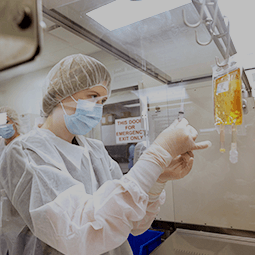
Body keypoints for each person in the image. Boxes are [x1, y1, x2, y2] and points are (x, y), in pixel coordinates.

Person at [0, 54, 211, 255]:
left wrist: (157, 181)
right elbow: (77, 234)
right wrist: (157, 155)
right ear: (58, 94)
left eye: (102, 101)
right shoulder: (24, 153)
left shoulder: (95, 150)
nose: (97, 108)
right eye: (92, 96)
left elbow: (133, 223)